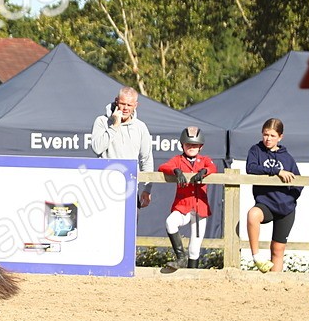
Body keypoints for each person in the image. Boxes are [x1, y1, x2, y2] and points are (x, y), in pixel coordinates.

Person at [157, 127, 217, 272]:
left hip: (199, 208)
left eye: (195, 145)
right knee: (170, 222)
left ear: (200, 147)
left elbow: (213, 168)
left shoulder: (205, 160)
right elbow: (163, 167)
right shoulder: (178, 160)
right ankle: (180, 258)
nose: (191, 147)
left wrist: (204, 171)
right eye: (188, 144)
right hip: (183, 206)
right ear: (182, 145)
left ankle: (192, 278)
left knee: (194, 249)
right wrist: (176, 171)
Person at [245, 118, 302, 273]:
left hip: (286, 208)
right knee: (253, 215)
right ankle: (256, 256)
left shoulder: (287, 158)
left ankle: (274, 285)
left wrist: (290, 199)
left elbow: (300, 182)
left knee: (277, 249)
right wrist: (276, 171)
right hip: (266, 204)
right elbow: (251, 168)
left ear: (280, 137)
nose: (268, 139)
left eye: (272, 135)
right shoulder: (255, 150)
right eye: (265, 134)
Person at [90, 86, 153, 208]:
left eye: (129, 105)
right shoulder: (102, 121)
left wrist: (147, 189)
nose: (125, 108)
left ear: (136, 105)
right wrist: (115, 125)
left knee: (129, 226)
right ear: (116, 101)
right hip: (104, 187)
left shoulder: (141, 127)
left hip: (130, 188)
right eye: (122, 104)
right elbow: (97, 148)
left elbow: (146, 159)